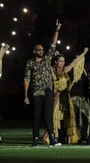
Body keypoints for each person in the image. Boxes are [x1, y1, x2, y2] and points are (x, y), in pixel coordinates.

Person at [23, 19, 62, 147]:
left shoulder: (47, 59)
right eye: (38, 50)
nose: (40, 51)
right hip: (36, 91)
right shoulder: (30, 63)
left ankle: (52, 138)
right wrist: (25, 95)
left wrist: (56, 30)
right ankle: (35, 139)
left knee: (48, 115)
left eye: (41, 49)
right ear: (34, 51)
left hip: (47, 90)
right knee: (36, 116)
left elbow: (53, 44)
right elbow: (27, 78)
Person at [43, 48, 88, 144]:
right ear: (56, 62)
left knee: (67, 118)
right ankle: (52, 138)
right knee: (54, 118)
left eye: (63, 61)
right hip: (56, 97)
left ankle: (65, 138)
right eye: (60, 61)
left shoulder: (65, 70)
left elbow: (75, 62)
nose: (62, 63)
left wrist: (83, 53)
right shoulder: (52, 70)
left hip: (66, 97)